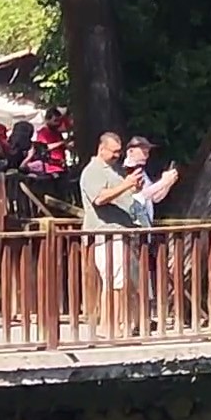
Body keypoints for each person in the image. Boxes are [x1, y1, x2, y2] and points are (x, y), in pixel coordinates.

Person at [81, 133, 142, 326]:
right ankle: (110, 326)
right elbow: (99, 198)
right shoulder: (93, 171)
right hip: (106, 234)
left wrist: (134, 187)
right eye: (114, 151)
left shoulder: (114, 170)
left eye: (119, 151)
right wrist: (125, 185)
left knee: (127, 282)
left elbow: (123, 194)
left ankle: (126, 322)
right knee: (114, 282)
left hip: (123, 232)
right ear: (101, 149)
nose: (117, 155)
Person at [120, 136, 179, 227]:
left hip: (146, 223)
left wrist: (168, 183)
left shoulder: (142, 172)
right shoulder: (125, 171)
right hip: (133, 224)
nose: (146, 156)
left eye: (147, 152)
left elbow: (155, 198)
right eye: (143, 152)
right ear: (130, 151)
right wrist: (163, 181)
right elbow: (140, 195)